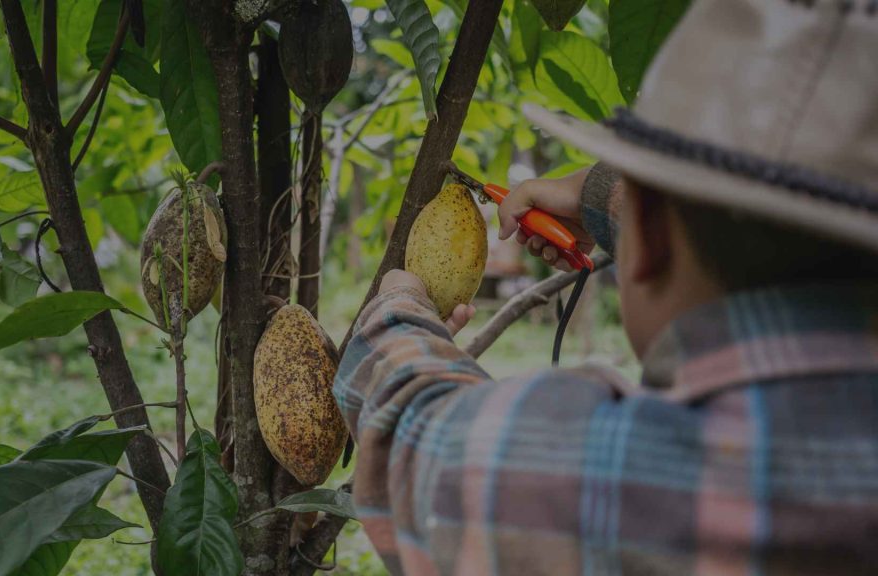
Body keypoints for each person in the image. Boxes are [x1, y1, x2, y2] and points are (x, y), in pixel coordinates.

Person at [333, 0, 878, 574]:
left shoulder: (632, 483)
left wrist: (395, 307)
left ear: (651, 244)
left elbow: (422, 443)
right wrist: (610, 198)